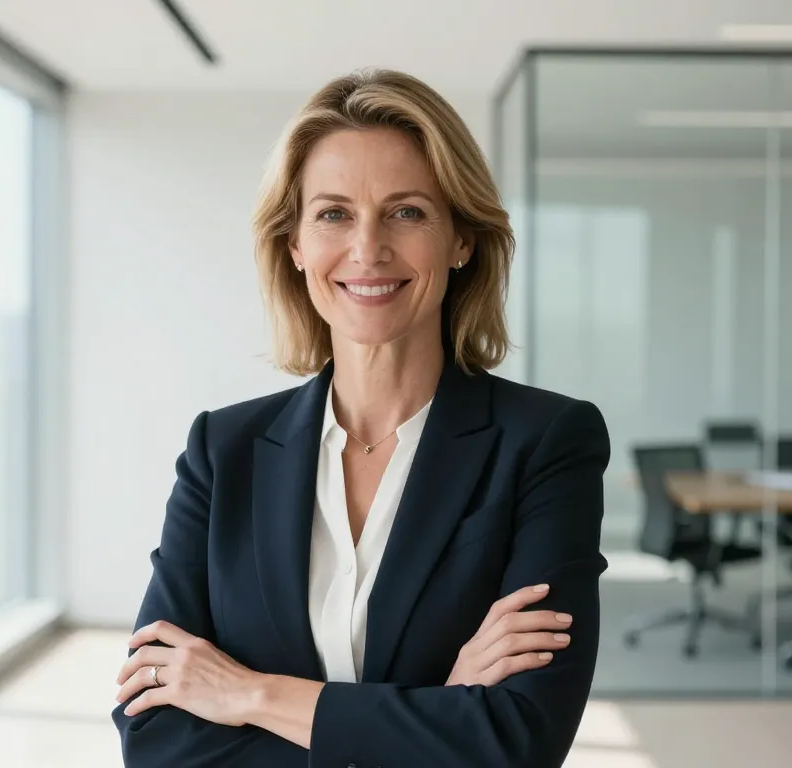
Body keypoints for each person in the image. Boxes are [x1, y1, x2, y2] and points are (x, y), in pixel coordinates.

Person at [112, 68, 610, 768]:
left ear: (461, 239)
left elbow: (518, 741)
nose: (367, 248)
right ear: (294, 245)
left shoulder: (546, 444)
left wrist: (251, 695)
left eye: (406, 211)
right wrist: (439, 708)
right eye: (334, 213)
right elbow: (154, 738)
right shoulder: (223, 453)